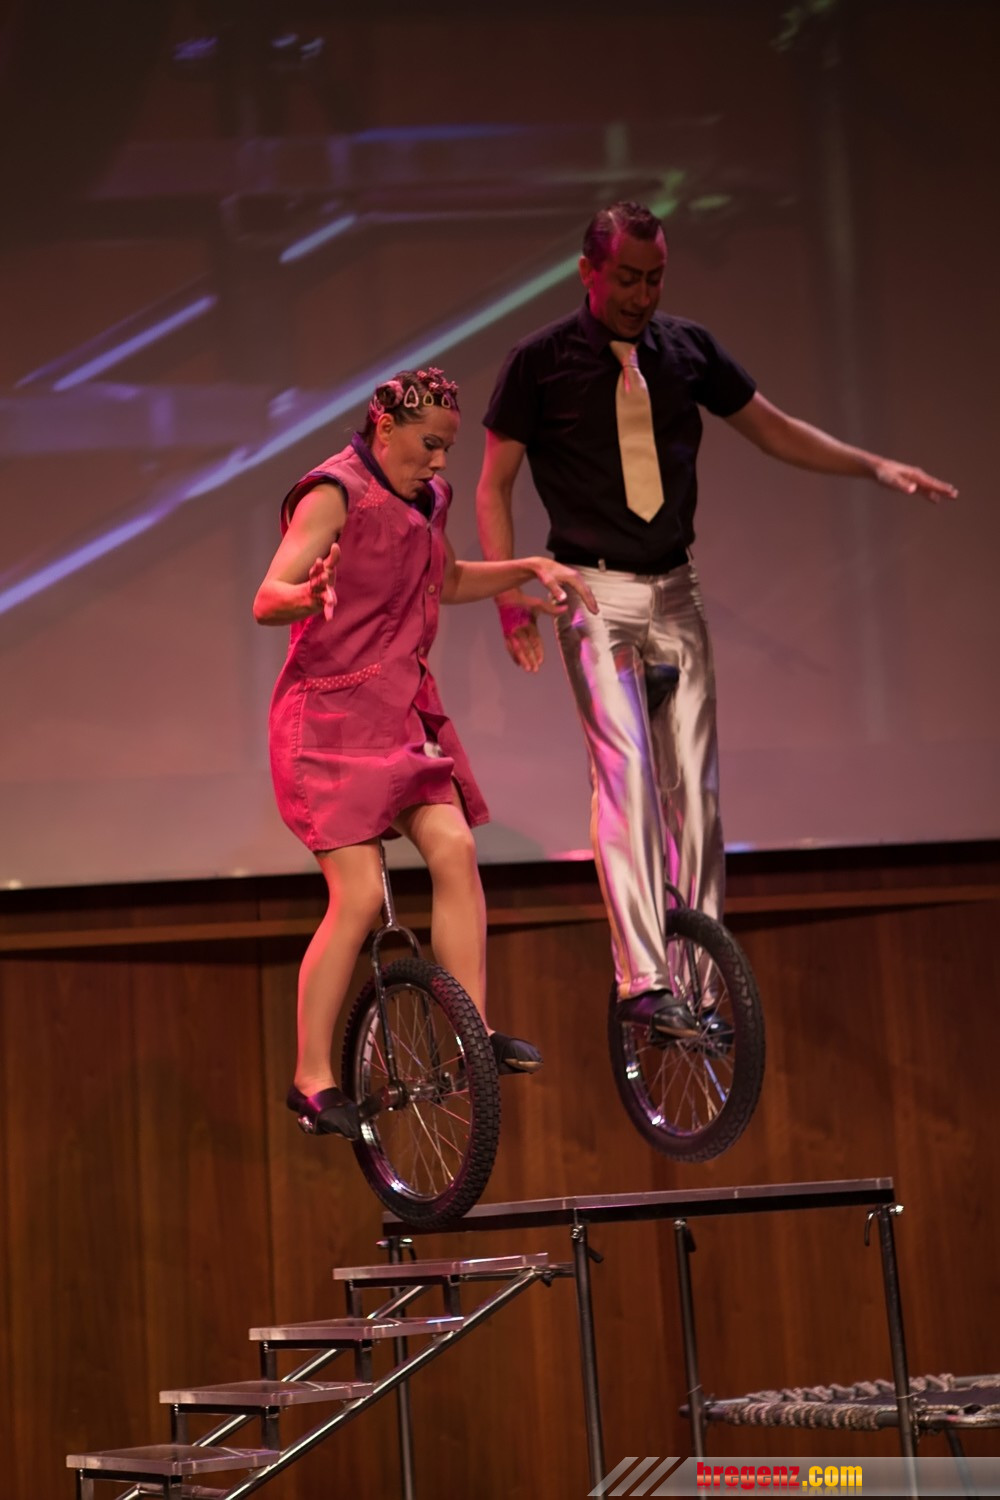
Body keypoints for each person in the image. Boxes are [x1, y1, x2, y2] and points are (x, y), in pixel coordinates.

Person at [475, 200, 957, 1038]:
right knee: (625, 775)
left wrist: (875, 466)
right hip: (592, 596)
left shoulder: (686, 350)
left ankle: (695, 991)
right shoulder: (538, 363)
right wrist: (509, 596)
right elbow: (493, 484)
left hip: (675, 592)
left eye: (655, 279)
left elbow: (775, 431)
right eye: (627, 279)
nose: (642, 296)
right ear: (589, 272)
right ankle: (641, 979)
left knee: (693, 795)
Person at [254, 366, 596, 1137]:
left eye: (447, 448)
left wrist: (527, 569)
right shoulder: (333, 494)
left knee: (454, 847)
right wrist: (306, 596)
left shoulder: (429, 500)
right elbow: (267, 596)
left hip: (398, 714)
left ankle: (471, 1031)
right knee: (358, 895)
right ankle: (311, 1079)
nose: (440, 462)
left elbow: (447, 579)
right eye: (430, 445)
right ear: (386, 428)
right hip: (327, 725)